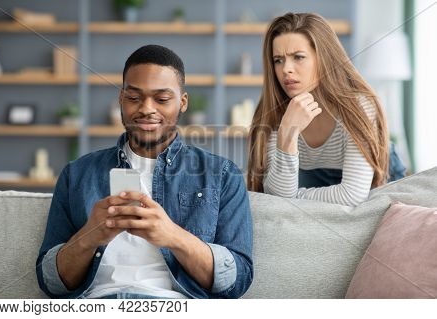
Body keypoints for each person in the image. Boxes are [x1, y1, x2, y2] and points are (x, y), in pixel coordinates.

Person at [36, 45, 253, 299]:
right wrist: (89, 235)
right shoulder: (77, 175)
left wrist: (173, 236)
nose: (147, 108)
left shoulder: (223, 175)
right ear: (121, 98)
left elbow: (237, 280)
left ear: (182, 102)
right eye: (134, 98)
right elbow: (50, 282)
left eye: (161, 99)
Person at [247, 12, 405, 207]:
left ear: (324, 58)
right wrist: (288, 132)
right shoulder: (274, 112)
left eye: (298, 57)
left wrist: (294, 197)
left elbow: (352, 196)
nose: (286, 69)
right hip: (318, 195)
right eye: (278, 60)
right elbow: (277, 199)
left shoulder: (359, 106)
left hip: (379, 181)